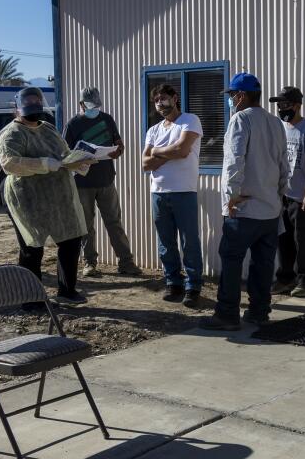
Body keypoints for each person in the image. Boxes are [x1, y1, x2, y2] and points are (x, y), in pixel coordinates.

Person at [201, 73, 289, 331]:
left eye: (231, 96)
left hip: (244, 208)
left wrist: (230, 197)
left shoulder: (240, 119)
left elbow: (233, 161)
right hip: (270, 210)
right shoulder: (275, 122)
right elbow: (285, 165)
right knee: (263, 264)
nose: (230, 100)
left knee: (231, 260)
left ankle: (227, 315)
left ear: (240, 96)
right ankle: (259, 311)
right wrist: (277, 196)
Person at [0, 86, 92, 304]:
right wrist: (44, 164)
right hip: (28, 199)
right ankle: (31, 299)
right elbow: (9, 163)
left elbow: (63, 152)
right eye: (28, 102)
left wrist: (76, 161)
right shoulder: (12, 133)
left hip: (59, 197)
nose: (33, 106)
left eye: (36, 101)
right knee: (32, 248)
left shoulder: (48, 128)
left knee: (71, 239)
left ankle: (67, 291)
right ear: (18, 107)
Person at [63, 86, 142, 278]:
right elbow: (64, 155)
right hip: (82, 183)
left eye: (96, 106)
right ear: (81, 104)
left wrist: (117, 151)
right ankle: (90, 263)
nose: (93, 109)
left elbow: (119, 143)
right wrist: (79, 159)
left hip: (106, 180)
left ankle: (126, 262)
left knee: (114, 222)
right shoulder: (73, 124)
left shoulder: (107, 119)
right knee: (86, 225)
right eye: (90, 106)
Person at [143, 84, 204, 308]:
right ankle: (173, 282)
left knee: (189, 241)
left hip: (183, 191)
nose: (160, 103)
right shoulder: (154, 130)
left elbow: (183, 150)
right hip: (158, 192)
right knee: (165, 242)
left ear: (175, 98)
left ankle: (193, 285)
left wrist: (157, 152)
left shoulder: (190, 120)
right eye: (156, 100)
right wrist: (171, 151)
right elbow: (144, 163)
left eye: (164, 98)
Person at [269, 86, 305, 298]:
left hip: (302, 196)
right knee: (284, 239)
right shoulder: (280, 128)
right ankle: (285, 278)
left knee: (304, 240)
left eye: (285, 104)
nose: (282, 108)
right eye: (279, 105)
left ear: (297, 105)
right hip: (282, 195)